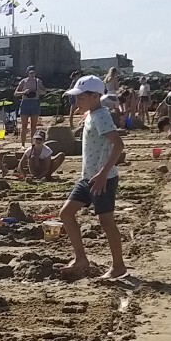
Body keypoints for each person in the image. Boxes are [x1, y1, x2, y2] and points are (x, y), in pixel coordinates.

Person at [58, 76, 127, 281]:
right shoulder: (91, 114)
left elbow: (119, 145)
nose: (77, 101)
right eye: (76, 97)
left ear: (96, 96)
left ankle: (118, 266)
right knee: (66, 213)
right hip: (88, 177)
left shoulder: (101, 116)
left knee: (106, 222)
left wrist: (104, 174)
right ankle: (81, 258)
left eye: (81, 97)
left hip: (103, 178)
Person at [14, 65, 45, 146]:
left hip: (35, 102)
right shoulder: (23, 81)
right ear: (27, 73)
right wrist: (24, 92)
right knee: (24, 125)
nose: (32, 74)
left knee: (33, 126)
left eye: (34, 72)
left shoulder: (38, 81)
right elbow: (16, 93)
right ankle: (23, 145)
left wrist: (38, 91)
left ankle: (33, 144)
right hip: (25, 102)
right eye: (31, 73)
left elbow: (44, 92)